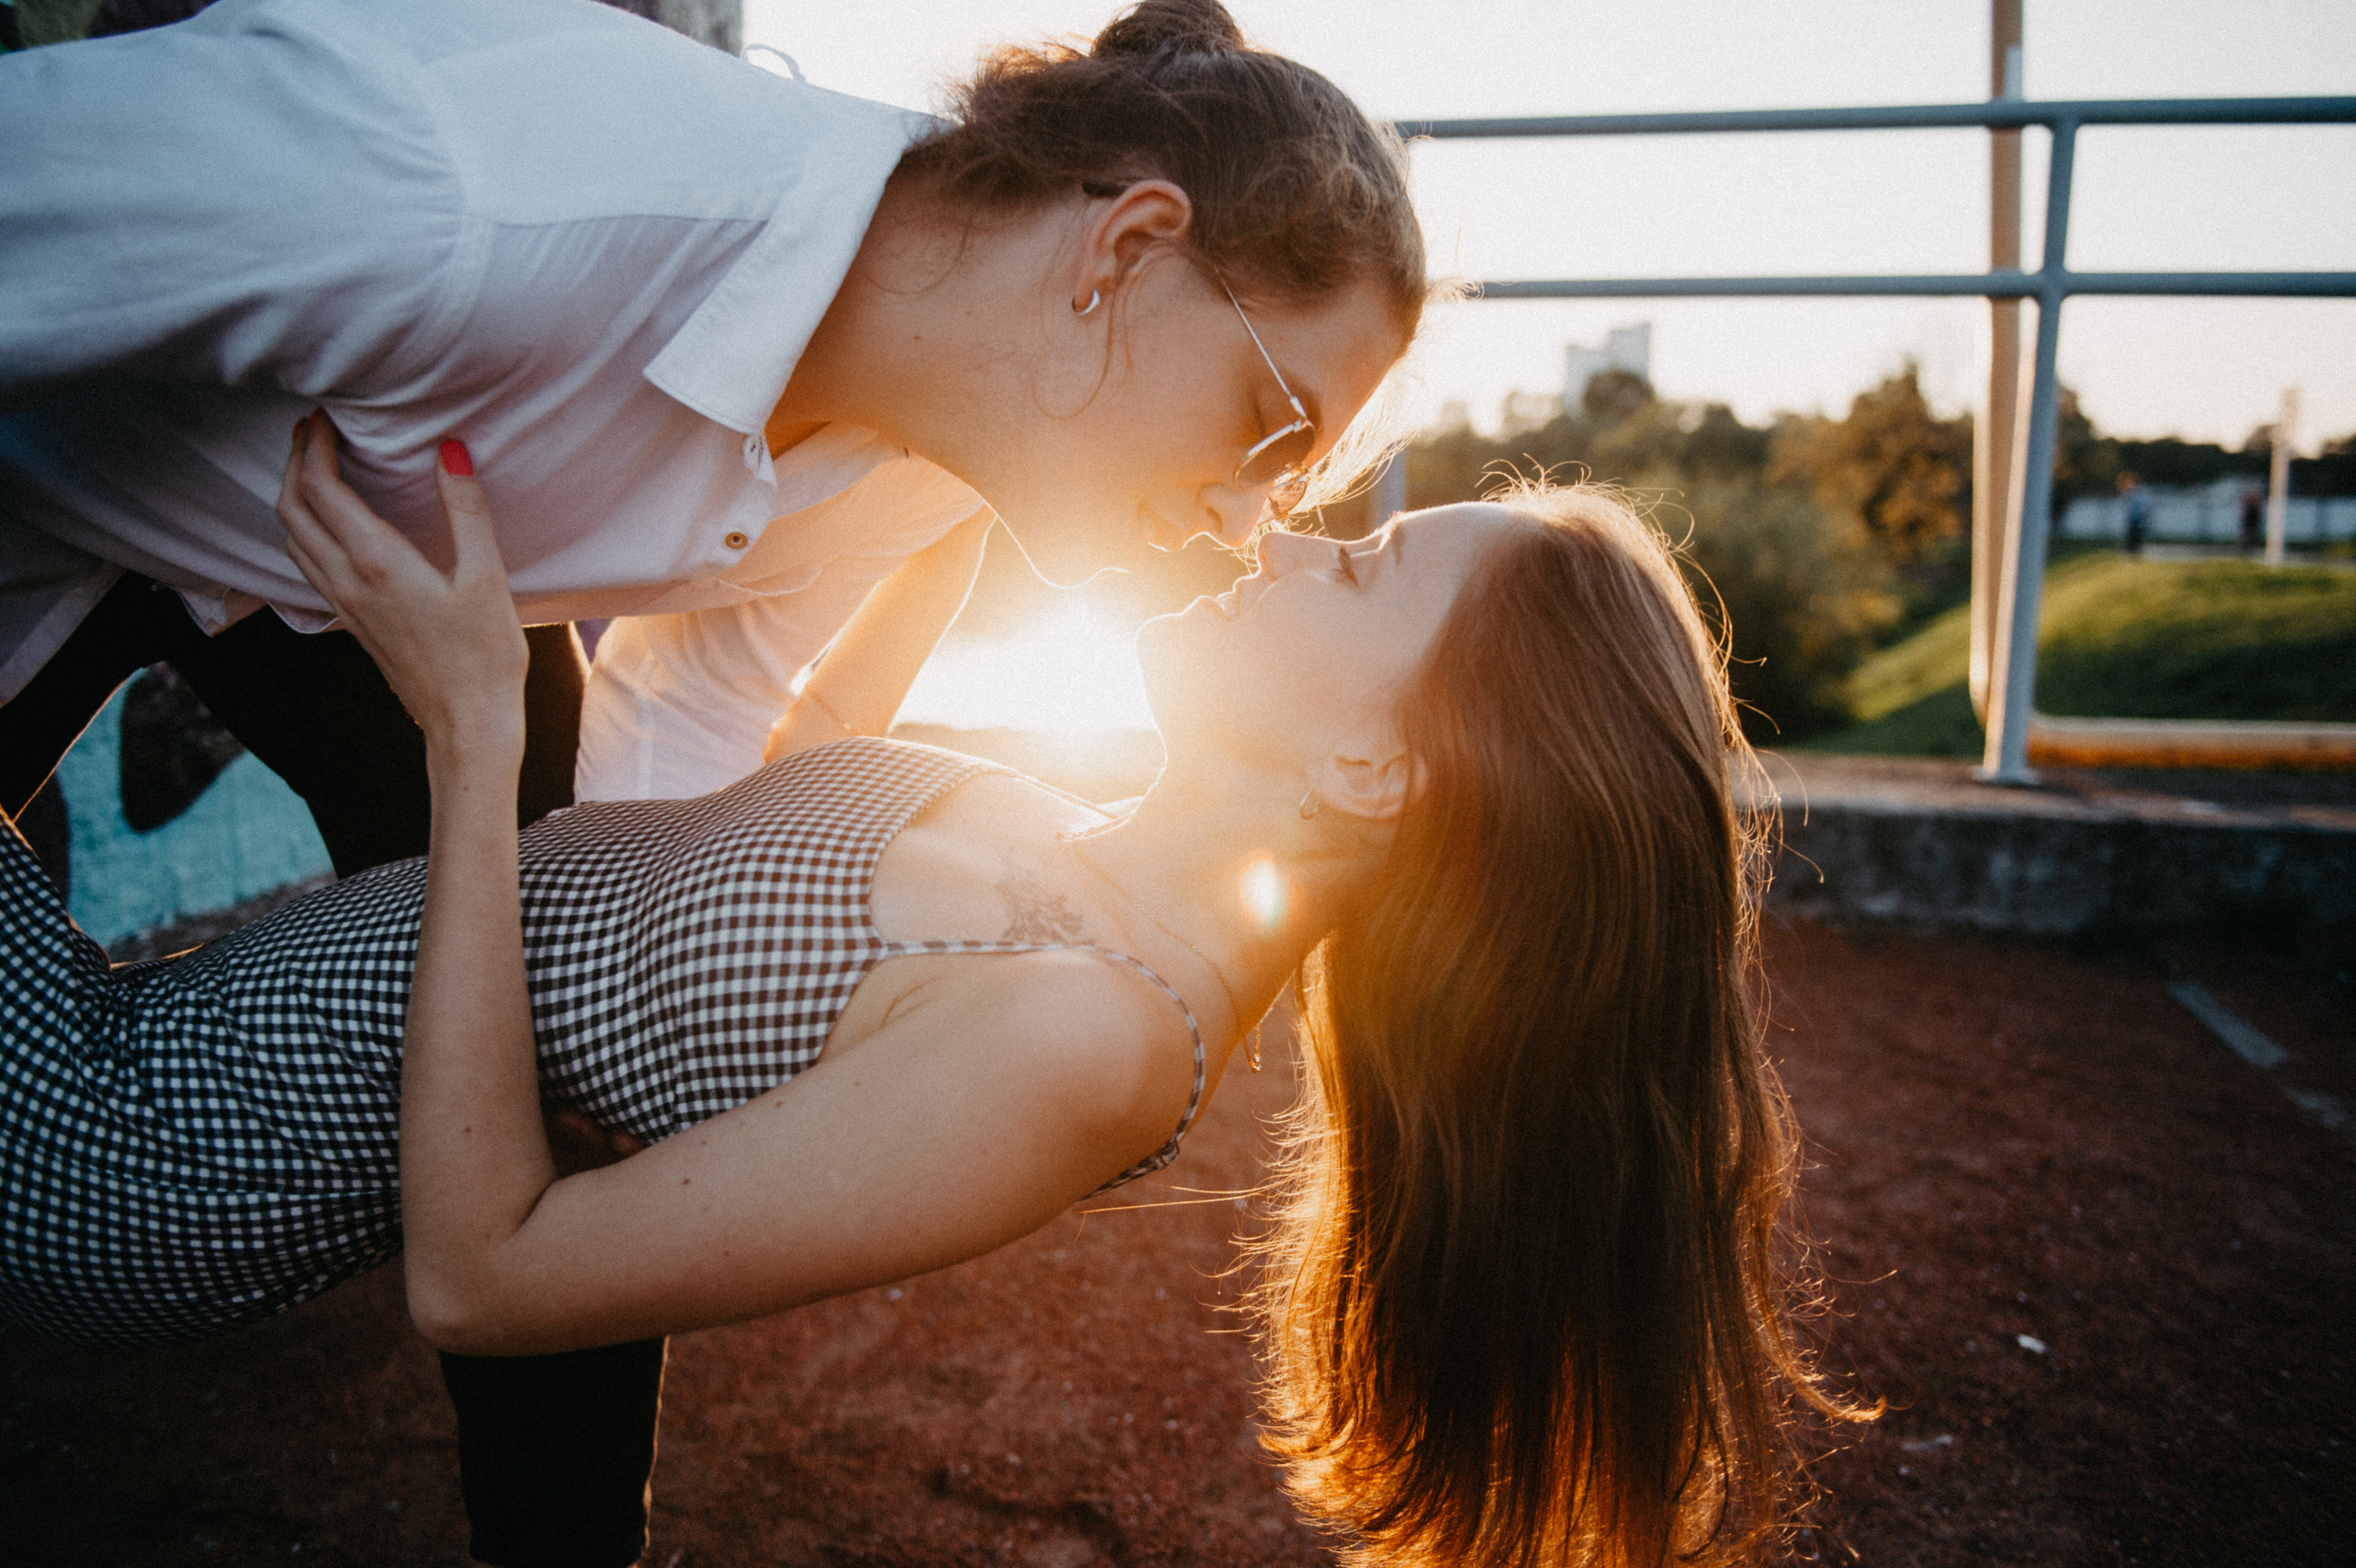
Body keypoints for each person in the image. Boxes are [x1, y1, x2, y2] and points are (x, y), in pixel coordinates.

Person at [0, 1, 1423, 1556]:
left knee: (556, 992)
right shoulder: (467, 185)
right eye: (1272, 433)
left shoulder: (933, 445)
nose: (1245, 519)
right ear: (1127, 248)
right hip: (57, 488)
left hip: (323, 579)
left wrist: (655, 1007)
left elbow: (700, 724)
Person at [3, 435, 1860, 1566]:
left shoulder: (1089, 1037)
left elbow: (481, 1281)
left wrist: (476, 739)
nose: (1284, 539)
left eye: (1358, 566)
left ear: (1377, 777)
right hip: (125, 1016)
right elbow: (757, 811)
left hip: (117, 1156)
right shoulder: (1063, 831)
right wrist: (1006, 449)